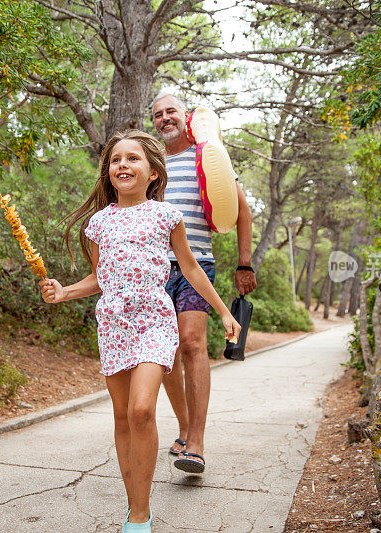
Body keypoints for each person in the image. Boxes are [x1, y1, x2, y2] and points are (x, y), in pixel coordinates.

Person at [40, 129, 240, 532]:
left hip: (154, 318)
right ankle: (138, 510)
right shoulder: (98, 223)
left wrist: (222, 312)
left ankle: (138, 514)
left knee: (141, 409)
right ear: (108, 171)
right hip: (113, 323)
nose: (123, 166)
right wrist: (63, 292)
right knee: (121, 416)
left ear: (152, 172)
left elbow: (190, 268)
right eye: (116, 160)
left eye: (133, 159)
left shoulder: (166, 215)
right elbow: (98, 278)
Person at [151, 93, 257, 474]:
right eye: (158, 114)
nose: (165, 119)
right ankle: (182, 428)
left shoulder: (208, 158)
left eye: (171, 112)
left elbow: (242, 210)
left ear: (186, 116)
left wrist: (244, 263)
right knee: (164, 356)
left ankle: (195, 443)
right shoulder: (151, 163)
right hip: (153, 270)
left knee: (193, 344)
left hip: (197, 266)